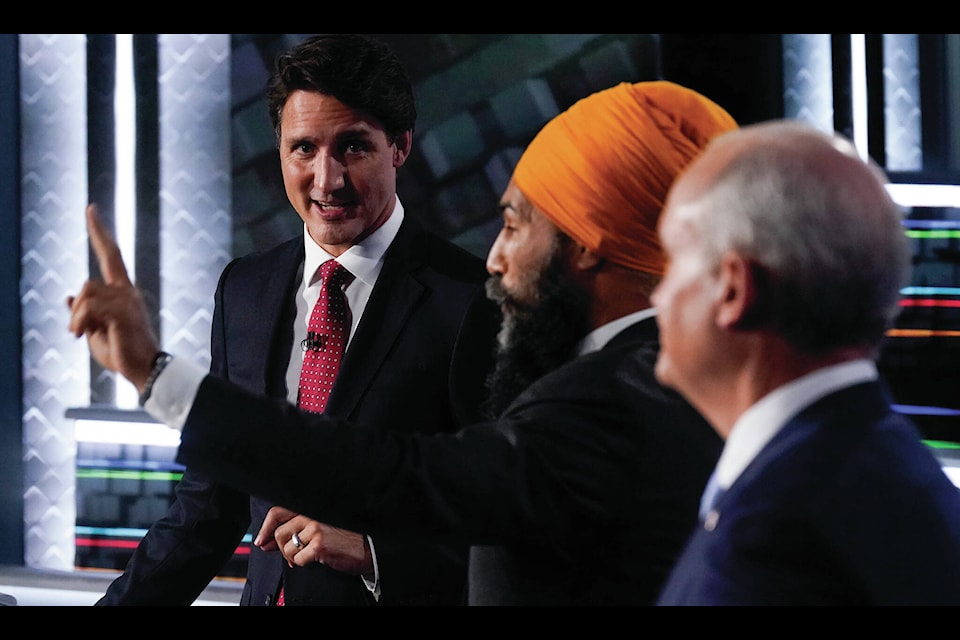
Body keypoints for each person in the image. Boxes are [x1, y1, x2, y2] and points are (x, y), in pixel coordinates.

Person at [69, 80, 735, 605]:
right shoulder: (689, 382)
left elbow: (402, 476)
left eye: (515, 224)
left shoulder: (607, 399)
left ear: (589, 243)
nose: (497, 258)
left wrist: (155, 374)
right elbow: (211, 507)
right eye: (303, 147)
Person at [95, 33, 500, 606]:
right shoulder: (245, 289)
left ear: (401, 146)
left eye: (353, 148)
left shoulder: (472, 301)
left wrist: (375, 551)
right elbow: (210, 504)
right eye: (303, 149)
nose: (327, 179)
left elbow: (507, 526)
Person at [652, 120, 960, 605]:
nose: (658, 294)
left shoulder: (767, 543)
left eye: (672, 259)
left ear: (732, 289)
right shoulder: (889, 469)